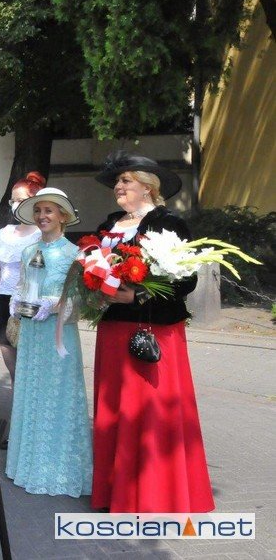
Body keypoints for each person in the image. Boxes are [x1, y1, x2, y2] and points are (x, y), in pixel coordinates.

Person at [91, 151, 214, 513]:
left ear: (148, 187)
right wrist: (93, 288)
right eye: (117, 181)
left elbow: (186, 279)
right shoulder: (109, 224)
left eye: (125, 180)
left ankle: (157, 496)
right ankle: (117, 494)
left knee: (152, 412)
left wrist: (138, 295)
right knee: (115, 410)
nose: (118, 186)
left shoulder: (169, 224)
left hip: (152, 331)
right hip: (113, 329)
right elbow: (93, 267)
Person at [5, 187, 92, 498]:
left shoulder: (75, 255)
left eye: (49, 211)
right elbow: (22, 285)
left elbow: (82, 302)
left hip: (58, 336)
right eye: (38, 211)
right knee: (32, 394)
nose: (42, 216)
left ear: (63, 216)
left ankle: (58, 470)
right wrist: (17, 301)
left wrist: (56, 306)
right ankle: (28, 465)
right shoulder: (28, 251)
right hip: (31, 335)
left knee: (58, 397)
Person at [0, 172, 44, 389]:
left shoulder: (42, 234)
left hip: (30, 302)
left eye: (21, 200)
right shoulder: (4, 233)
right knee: (12, 366)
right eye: (13, 200)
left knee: (30, 367)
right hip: (4, 299)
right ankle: (16, 407)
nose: (16, 205)